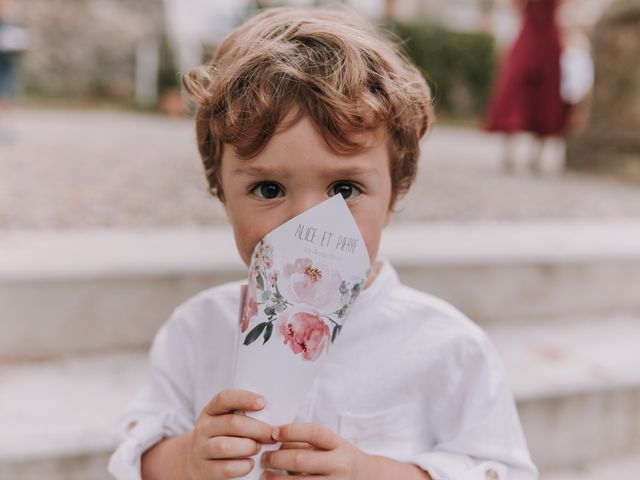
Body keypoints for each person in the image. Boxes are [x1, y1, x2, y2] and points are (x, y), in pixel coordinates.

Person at [108, 7, 538, 480]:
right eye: (269, 189)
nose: (306, 225)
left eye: (344, 191)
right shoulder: (195, 333)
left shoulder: (449, 348)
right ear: (222, 193)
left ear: (394, 194)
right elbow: (137, 455)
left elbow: (503, 469)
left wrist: (376, 473)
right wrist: (188, 458)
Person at [484, 0, 568, 173]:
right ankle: (517, 154)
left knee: (543, 94)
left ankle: (530, 155)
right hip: (533, 36)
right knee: (519, 90)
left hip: (541, 38)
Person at [0, 0, 26, 142]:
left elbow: (21, 44)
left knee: (6, 96)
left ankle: (6, 128)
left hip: (6, 64)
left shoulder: (11, 25)